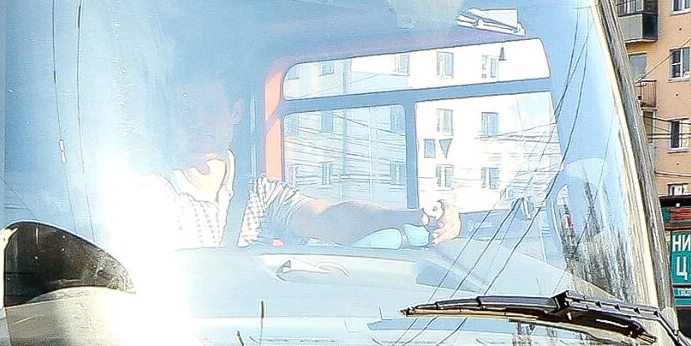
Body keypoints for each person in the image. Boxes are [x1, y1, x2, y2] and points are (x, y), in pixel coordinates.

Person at [139, 75, 462, 251]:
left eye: (210, 109)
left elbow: (331, 220)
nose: (199, 123)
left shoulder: (262, 195)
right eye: (185, 112)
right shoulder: (150, 193)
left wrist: (416, 217)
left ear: (234, 113)